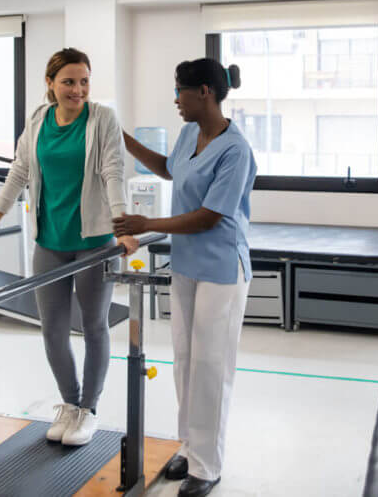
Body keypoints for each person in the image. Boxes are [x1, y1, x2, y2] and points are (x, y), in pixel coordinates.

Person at [0, 48, 139, 446]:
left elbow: (113, 171)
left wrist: (122, 226)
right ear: (50, 83)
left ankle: (88, 409)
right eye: (68, 82)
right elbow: (19, 172)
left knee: (94, 325)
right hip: (50, 238)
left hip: (94, 240)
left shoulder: (103, 119)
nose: (77, 90)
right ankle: (69, 403)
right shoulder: (39, 120)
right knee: (53, 330)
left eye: (83, 81)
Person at [113, 59, 255, 497]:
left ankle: (207, 466)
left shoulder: (236, 150)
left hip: (221, 268)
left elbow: (210, 217)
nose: (177, 100)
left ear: (206, 92)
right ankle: (190, 447)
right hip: (187, 264)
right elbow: (170, 169)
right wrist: (120, 139)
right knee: (185, 361)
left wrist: (147, 224)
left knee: (211, 365)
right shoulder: (191, 131)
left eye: (181, 91)